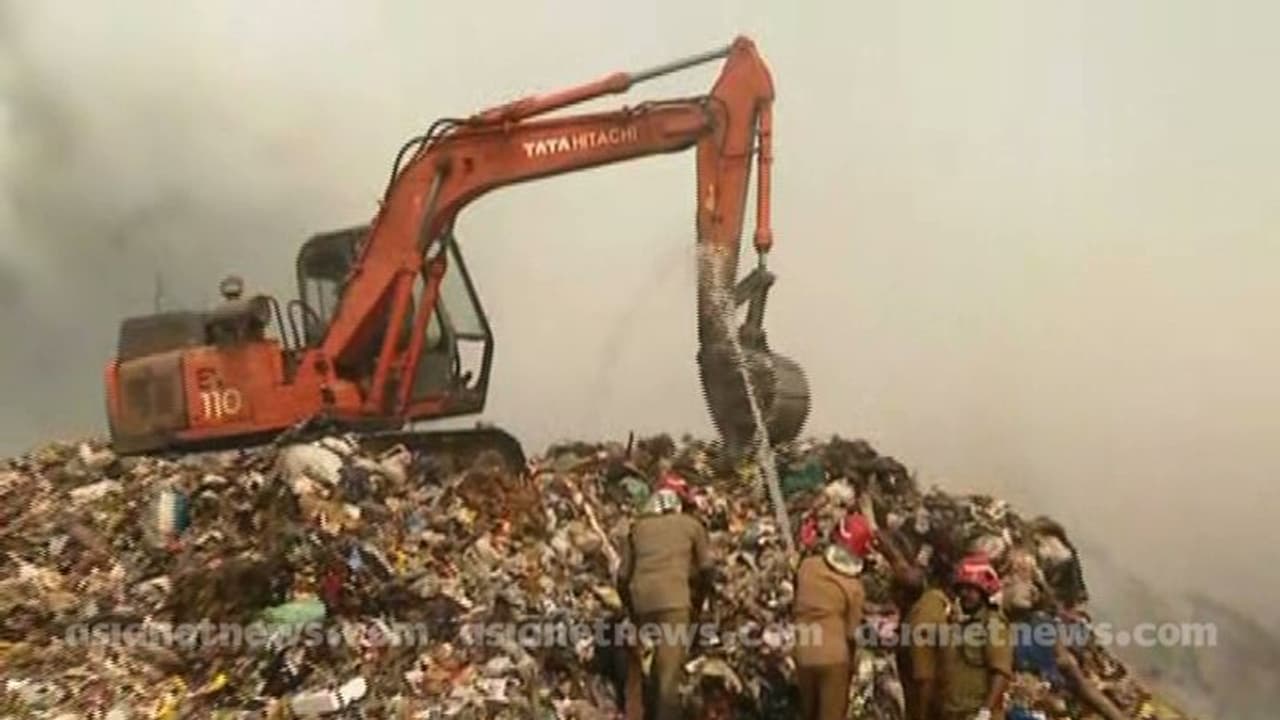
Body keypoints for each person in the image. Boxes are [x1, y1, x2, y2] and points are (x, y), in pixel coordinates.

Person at [616, 472, 714, 720]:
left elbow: (622, 578)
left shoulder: (637, 527)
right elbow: (707, 571)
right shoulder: (692, 526)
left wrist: (631, 612)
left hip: (642, 604)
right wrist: (698, 605)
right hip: (674, 605)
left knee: (650, 671)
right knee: (669, 678)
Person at [791, 511, 871, 720]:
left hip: (803, 652)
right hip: (833, 657)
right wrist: (851, 669)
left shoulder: (807, 567)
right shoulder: (854, 587)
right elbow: (851, 634)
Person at [936, 553, 1013, 720]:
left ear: (984, 592)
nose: (965, 594)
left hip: (976, 713)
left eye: (971, 589)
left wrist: (985, 711)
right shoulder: (957, 624)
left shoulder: (993, 623)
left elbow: (1001, 672)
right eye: (962, 589)